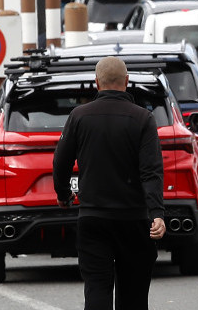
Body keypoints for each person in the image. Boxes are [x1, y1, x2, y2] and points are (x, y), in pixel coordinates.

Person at [53, 57, 167, 310]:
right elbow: (151, 172)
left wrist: (63, 194)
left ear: (97, 83)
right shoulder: (142, 119)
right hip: (134, 221)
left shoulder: (79, 116)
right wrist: (156, 213)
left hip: (93, 218)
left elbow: (61, 162)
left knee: (96, 288)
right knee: (134, 294)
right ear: (127, 82)